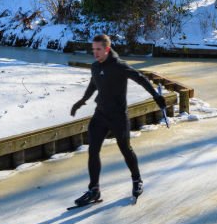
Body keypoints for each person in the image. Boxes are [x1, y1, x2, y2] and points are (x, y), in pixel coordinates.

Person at [70, 34, 167, 206]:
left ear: (107, 49)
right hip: (100, 115)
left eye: (98, 49)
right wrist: (81, 101)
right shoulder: (95, 66)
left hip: (118, 117)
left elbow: (141, 78)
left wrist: (156, 97)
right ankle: (94, 189)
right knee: (93, 150)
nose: (95, 53)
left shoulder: (119, 66)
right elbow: (94, 84)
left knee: (125, 149)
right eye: (93, 49)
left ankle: (137, 180)